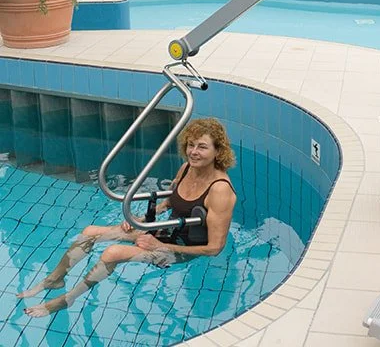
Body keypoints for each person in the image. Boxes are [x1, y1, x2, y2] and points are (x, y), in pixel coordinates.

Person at [17, 117, 237, 317]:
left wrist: (159, 245)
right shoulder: (186, 168)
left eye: (202, 147)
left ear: (218, 152)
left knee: (113, 253)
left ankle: (67, 299)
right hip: (167, 230)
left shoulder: (220, 190)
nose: (194, 152)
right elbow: (171, 201)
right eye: (191, 145)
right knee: (89, 233)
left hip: (182, 251)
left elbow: (214, 248)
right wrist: (140, 220)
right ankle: (55, 279)